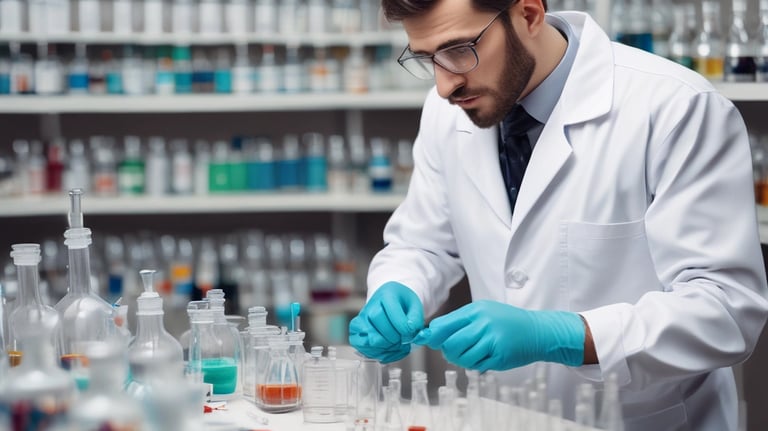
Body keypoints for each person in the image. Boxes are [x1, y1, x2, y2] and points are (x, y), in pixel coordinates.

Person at [347, 0, 768, 429]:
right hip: (506, 416)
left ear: (529, 15)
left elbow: (726, 311)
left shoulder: (675, 108)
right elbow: (424, 243)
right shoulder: (447, 112)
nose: (443, 85)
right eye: (426, 58)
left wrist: (564, 336)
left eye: (459, 50)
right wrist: (399, 286)